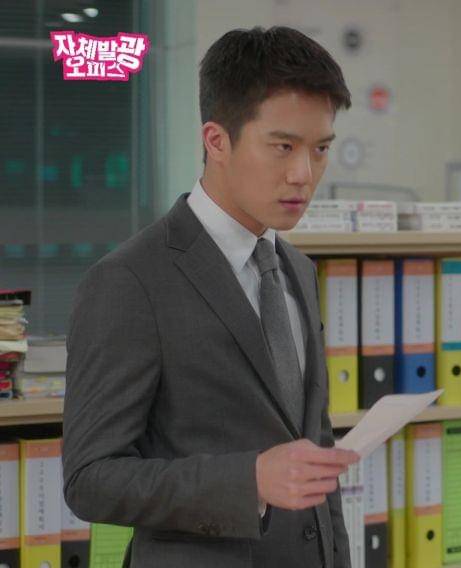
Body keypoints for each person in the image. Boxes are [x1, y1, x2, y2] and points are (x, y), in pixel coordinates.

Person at [63, 26, 359, 567]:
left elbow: (315, 453)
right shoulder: (130, 280)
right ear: (216, 141)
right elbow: (90, 479)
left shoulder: (296, 268)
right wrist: (249, 480)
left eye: (320, 149)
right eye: (283, 147)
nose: (304, 174)